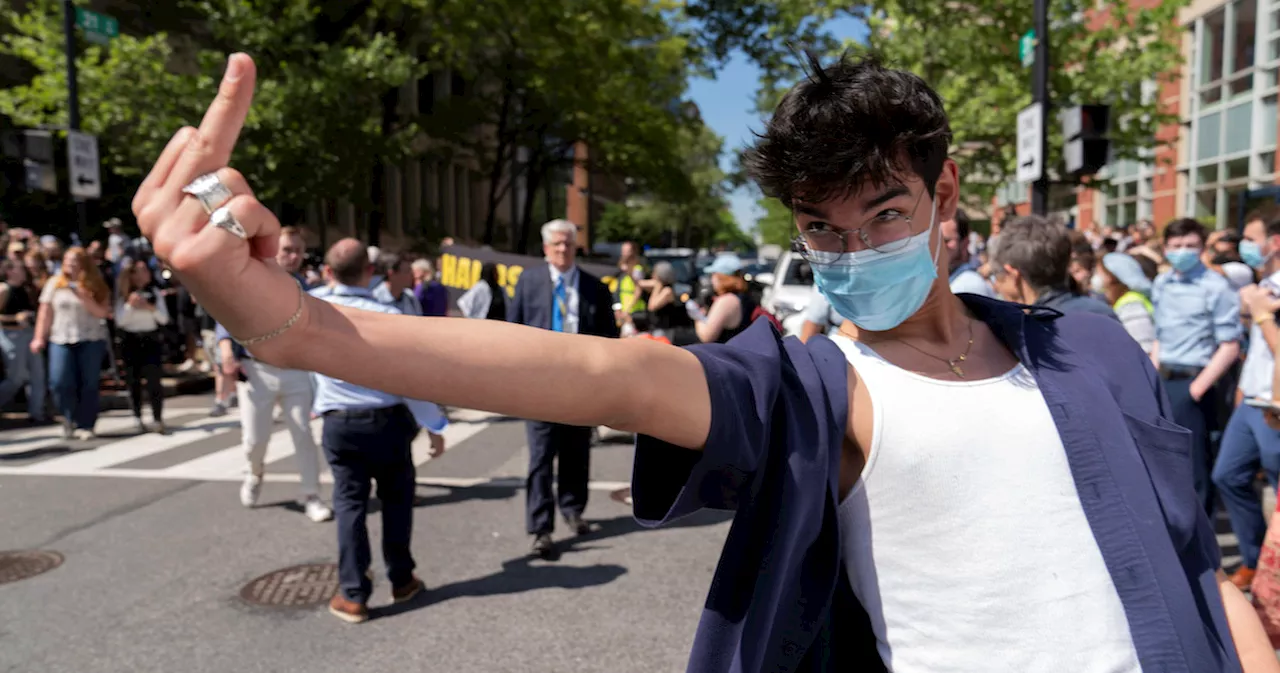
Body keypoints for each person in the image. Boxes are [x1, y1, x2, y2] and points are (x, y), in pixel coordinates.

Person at [136, 52, 1280, 672]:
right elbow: (606, 376)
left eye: (881, 211)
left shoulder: (1080, 338)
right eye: (819, 230)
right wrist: (288, 320)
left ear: (944, 196)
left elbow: (1185, 542)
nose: (850, 250)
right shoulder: (808, 386)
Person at [313, 239, 446, 624]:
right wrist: (434, 424)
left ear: (327, 272)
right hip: (387, 418)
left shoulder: (314, 308)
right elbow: (411, 378)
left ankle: (354, 594)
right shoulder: (384, 315)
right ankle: (402, 578)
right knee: (397, 501)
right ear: (370, 272)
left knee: (350, 505)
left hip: (339, 420)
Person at [507, 218, 619, 558]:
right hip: (540, 384)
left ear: (575, 247)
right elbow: (513, 331)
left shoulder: (595, 288)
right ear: (545, 248)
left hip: (580, 384)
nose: (562, 250)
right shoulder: (528, 282)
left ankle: (573, 509)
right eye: (556, 244)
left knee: (576, 451)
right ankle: (541, 528)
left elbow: (609, 340)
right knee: (541, 457)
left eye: (567, 244)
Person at [216, 226, 333, 523]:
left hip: (295, 371)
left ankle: (310, 493)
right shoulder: (248, 280)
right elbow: (227, 314)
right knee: (255, 440)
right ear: (272, 250)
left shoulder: (304, 287)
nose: (293, 256)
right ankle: (254, 473)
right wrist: (226, 349)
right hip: (257, 371)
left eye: (297, 250)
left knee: (303, 435)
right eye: (287, 250)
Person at [1152, 218, 1243, 518]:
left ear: (1202, 248)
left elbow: (1230, 345)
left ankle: (1200, 543)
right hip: (1162, 378)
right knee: (1161, 461)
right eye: (1176, 246)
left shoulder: (1216, 287)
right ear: (1165, 249)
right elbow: (1159, 336)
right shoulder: (1162, 283)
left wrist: (1197, 389)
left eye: (1190, 246)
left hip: (1193, 382)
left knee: (1194, 468)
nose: (1183, 252)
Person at [1214, 207, 1280, 591]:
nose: (1245, 247)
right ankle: (1255, 561)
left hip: (1273, 407)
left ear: (1273, 243)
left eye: (1251, 239)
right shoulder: (1262, 287)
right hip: (1250, 401)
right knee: (1228, 475)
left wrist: (1261, 315)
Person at [31, 247, 111, 439]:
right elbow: (45, 312)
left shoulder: (95, 284)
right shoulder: (54, 284)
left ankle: (87, 423)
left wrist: (83, 296)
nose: (70, 264)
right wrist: (39, 337)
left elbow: (102, 313)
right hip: (61, 337)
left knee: (88, 383)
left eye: (74, 260)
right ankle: (69, 418)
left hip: (90, 338)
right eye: (67, 260)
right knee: (59, 381)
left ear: (84, 263)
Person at [988, 216, 1118, 320]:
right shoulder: (1104, 315)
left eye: (998, 276)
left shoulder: (1029, 334)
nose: (996, 287)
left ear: (1013, 275)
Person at [114, 257, 170, 434]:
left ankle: (157, 417)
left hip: (150, 339)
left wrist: (150, 308)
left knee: (154, 380)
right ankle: (137, 416)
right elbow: (120, 321)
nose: (142, 275)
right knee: (133, 380)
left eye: (144, 271)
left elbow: (164, 318)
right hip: (130, 340)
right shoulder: (123, 295)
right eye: (137, 272)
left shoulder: (154, 292)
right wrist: (130, 306)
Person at [0, 259, 47, 422]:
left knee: (37, 375)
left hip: (30, 333)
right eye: (19, 269)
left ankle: (37, 413)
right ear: (9, 271)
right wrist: (14, 318)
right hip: (11, 335)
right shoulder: (4, 290)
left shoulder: (27, 289)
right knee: (16, 377)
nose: (23, 272)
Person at [1093, 253, 1156, 354]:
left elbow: (1144, 348)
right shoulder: (1122, 301)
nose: (1096, 278)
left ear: (1111, 277)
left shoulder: (1131, 305)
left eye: (1098, 273)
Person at [692, 255, 758, 343]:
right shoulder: (744, 296)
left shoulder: (726, 301)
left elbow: (707, 336)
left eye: (713, 274)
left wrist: (697, 316)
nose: (712, 279)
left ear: (721, 277)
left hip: (727, 354)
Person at [942, 208, 994, 298]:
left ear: (965, 243)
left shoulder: (968, 286)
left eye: (945, 241)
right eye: (932, 240)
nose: (938, 247)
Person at [644, 261, 695, 345]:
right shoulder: (663, 288)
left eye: (654, 273)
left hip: (665, 330)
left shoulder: (667, 290)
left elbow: (652, 306)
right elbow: (641, 283)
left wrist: (657, 286)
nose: (652, 275)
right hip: (656, 328)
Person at [614, 240, 648, 315]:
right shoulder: (621, 267)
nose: (623, 253)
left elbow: (638, 289)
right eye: (623, 250)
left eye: (627, 251)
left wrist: (628, 310)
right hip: (623, 308)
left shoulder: (637, 269)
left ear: (633, 252)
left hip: (634, 310)